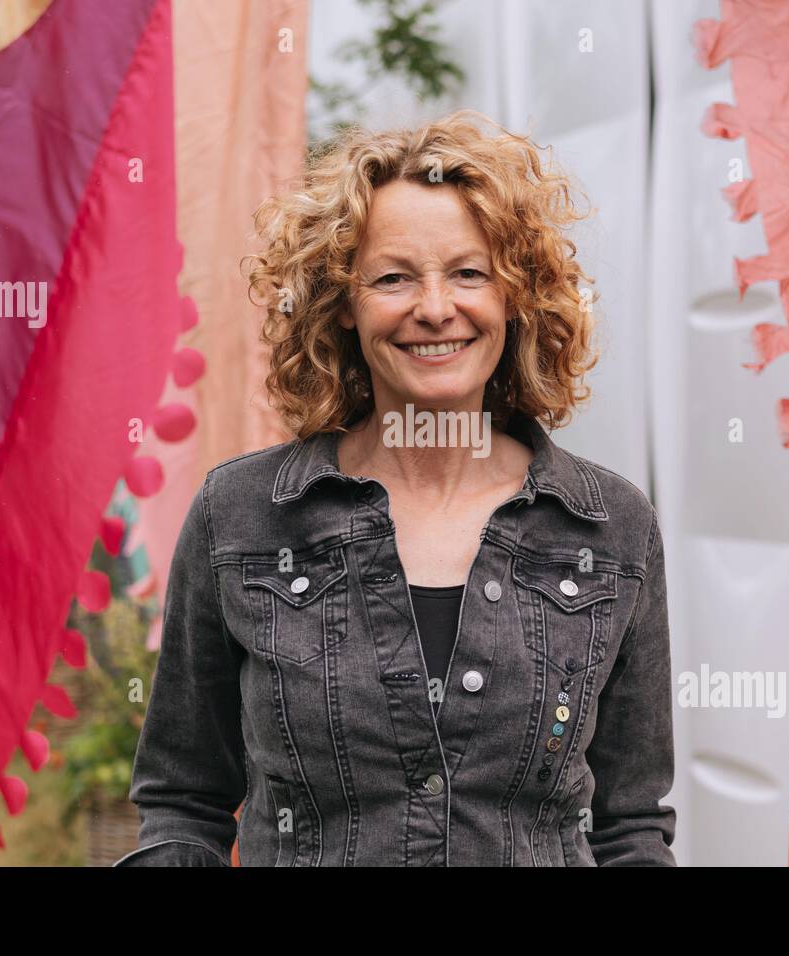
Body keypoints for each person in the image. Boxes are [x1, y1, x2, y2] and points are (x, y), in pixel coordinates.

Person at [115, 110, 675, 866]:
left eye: (469, 272)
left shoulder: (609, 528)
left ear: (516, 295)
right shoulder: (242, 517)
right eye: (393, 277)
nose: (436, 308)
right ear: (342, 304)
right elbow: (184, 801)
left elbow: (631, 828)